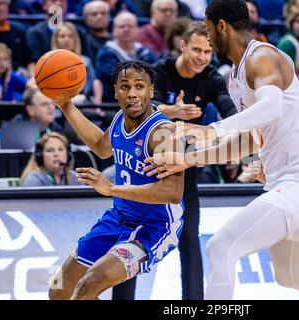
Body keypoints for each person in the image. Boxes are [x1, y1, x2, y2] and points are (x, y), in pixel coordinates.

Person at [145, 0, 299, 300]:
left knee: (221, 246)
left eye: (208, 30)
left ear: (222, 27)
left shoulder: (262, 56)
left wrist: (212, 129)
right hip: (294, 182)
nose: (209, 38)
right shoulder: (234, 78)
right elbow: (247, 140)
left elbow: (271, 107)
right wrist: (188, 159)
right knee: (293, 275)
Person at [48, 60, 185, 300]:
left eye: (139, 86)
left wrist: (113, 189)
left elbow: (172, 191)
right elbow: (102, 148)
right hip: (118, 218)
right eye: (125, 86)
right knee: (59, 289)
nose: (132, 93)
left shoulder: (163, 132)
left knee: (89, 284)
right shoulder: (120, 119)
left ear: (151, 91)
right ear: (115, 91)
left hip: (154, 227)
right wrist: (67, 107)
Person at [152, 20, 237, 300]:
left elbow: (227, 105)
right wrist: (170, 111)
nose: (202, 57)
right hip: (149, 166)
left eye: (208, 52)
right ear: (183, 46)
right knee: (135, 236)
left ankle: (194, 302)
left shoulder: (211, 77)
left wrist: (239, 123)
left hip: (185, 166)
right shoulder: (161, 71)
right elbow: (140, 107)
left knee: (189, 239)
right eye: (197, 50)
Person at [51, 21, 102, 104]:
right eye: (62, 36)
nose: (66, 40)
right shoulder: (49, 62)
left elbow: (95, 82)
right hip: (57, 102)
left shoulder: (85, 61)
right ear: (56, 40)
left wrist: (97, 105)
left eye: (70, 36)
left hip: (83, 102)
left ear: (75, 40)